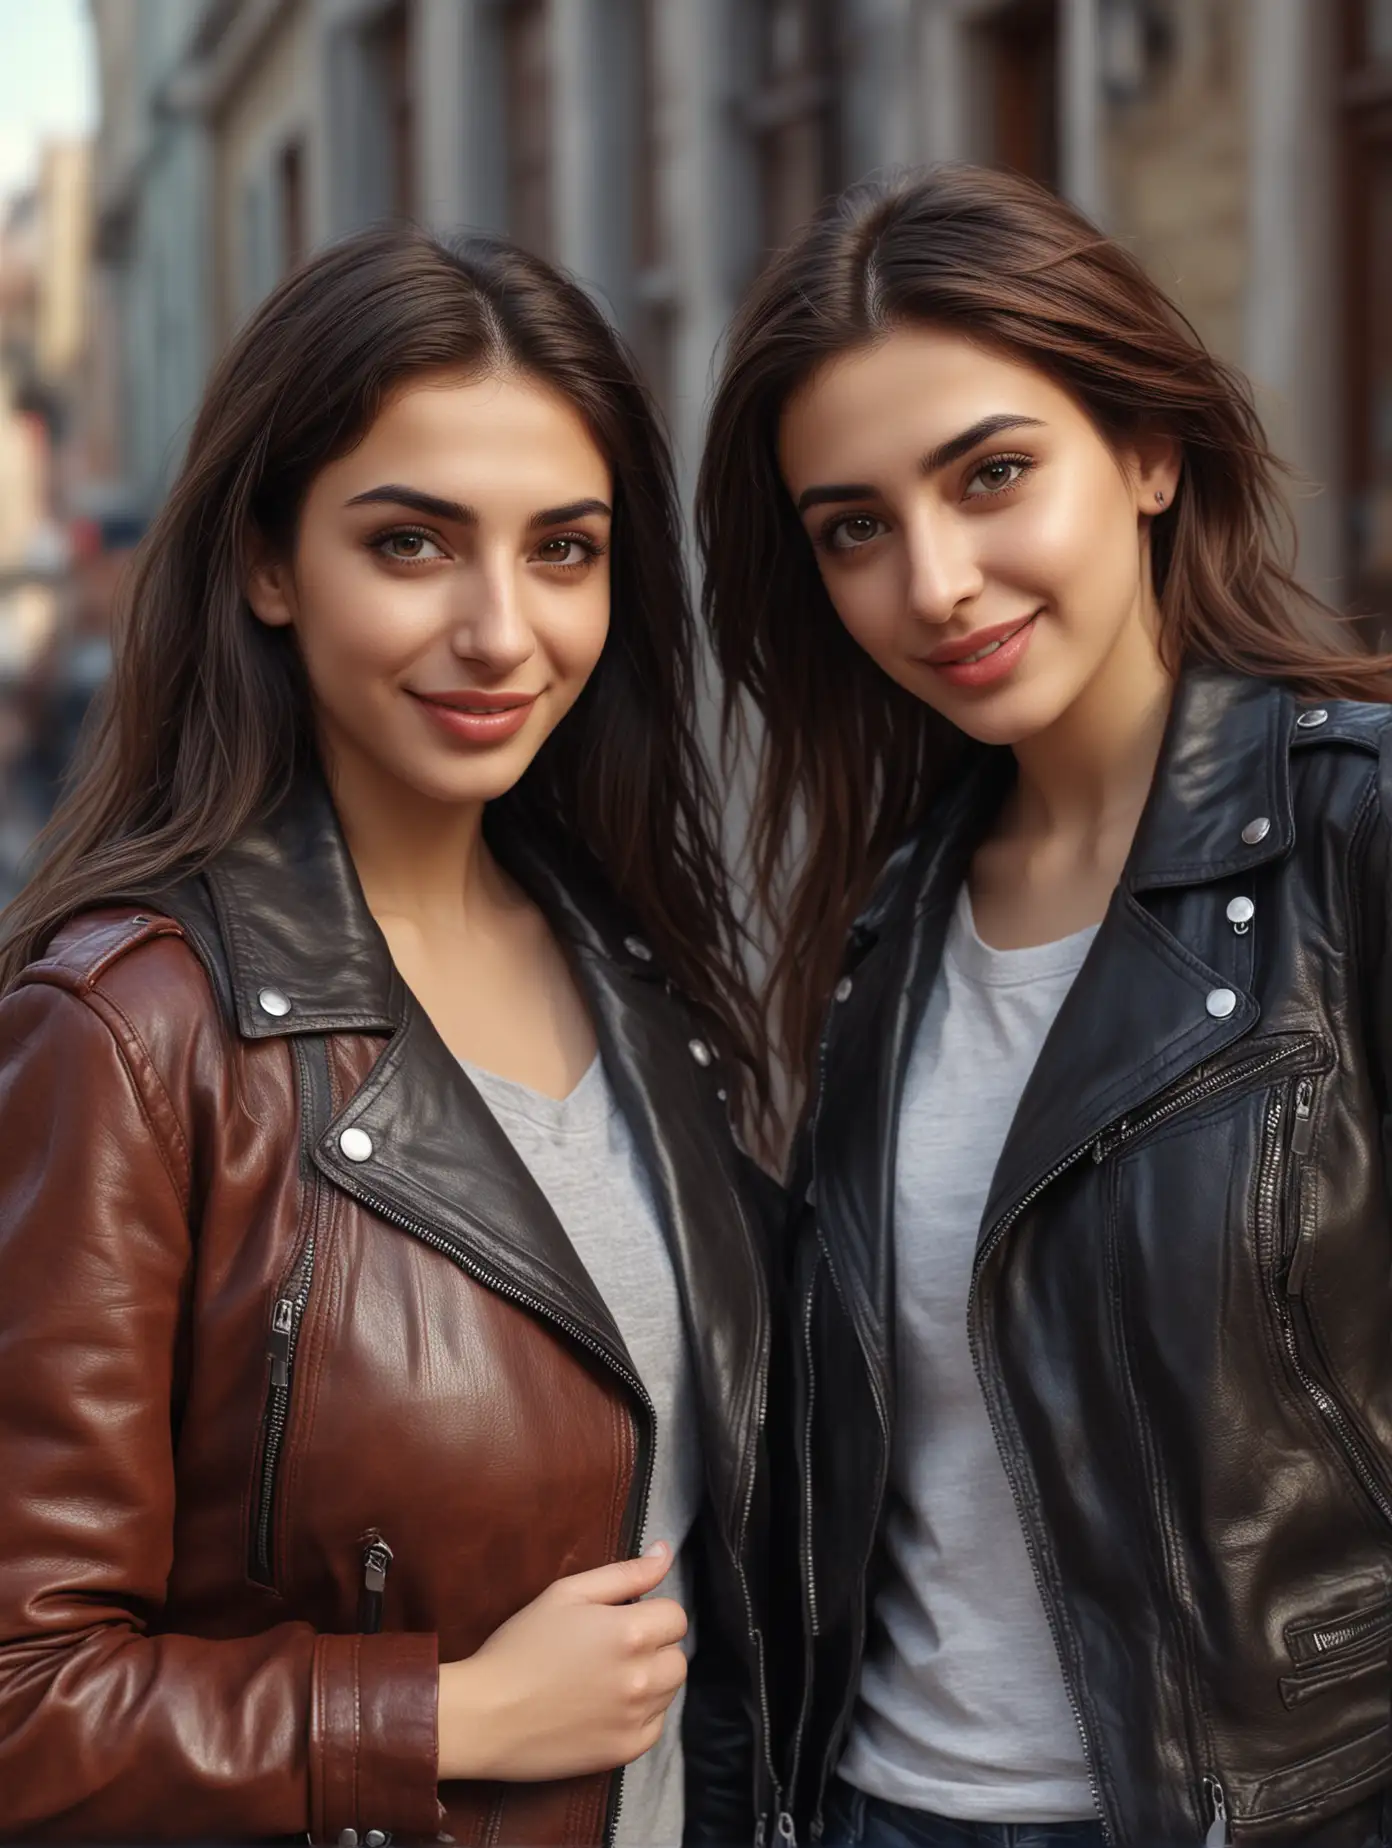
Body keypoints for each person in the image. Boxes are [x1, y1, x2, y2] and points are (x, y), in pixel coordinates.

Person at [0, 224, 778, 1847]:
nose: (503, 631)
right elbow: (24, 1693)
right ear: (271, 565)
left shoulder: (642, 976)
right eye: (414, 545)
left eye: (564, 550)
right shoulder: (134, 1030)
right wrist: (449, 1715)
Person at [698, 164, 1392, 1848]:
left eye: (992, 475)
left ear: (1149, 454)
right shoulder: (893, 915)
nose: (934, 582)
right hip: (880, 1808)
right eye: (855, 527)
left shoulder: (1353, 835)